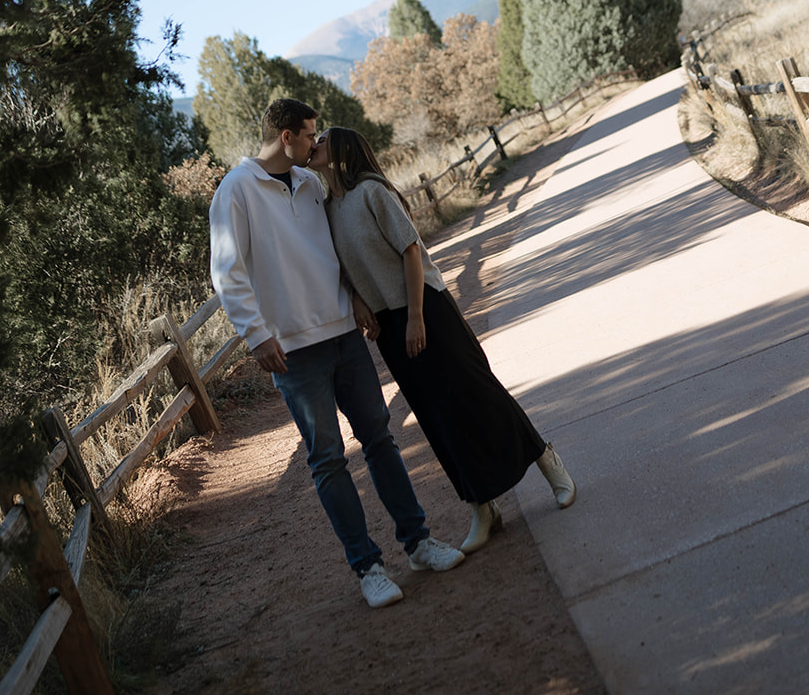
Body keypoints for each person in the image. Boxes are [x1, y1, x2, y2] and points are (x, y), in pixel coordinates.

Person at [208, 98, 466, 609]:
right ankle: (367, 567)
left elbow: (334, 253)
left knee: (380, 439)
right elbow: (227, 271)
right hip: (294, 352)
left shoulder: (309, 185)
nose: (315, 142)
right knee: (327, 460)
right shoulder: (235, 191)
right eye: (308, 134)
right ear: (286, 136)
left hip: (345, 335)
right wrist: (256, 334)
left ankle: (417, 542)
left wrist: (355, 299)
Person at [309, 126, 577, 555]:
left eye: (321, 138)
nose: (314, 144)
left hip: (426, 307)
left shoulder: (373, 192)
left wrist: (416, 316)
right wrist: (360, 301)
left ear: (340, 150)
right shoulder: (327, 209)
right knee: (435, 416)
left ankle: (547, 462)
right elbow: (342, 266)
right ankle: (481, 507)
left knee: (477, 393)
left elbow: (411, 250)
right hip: (386, 324)